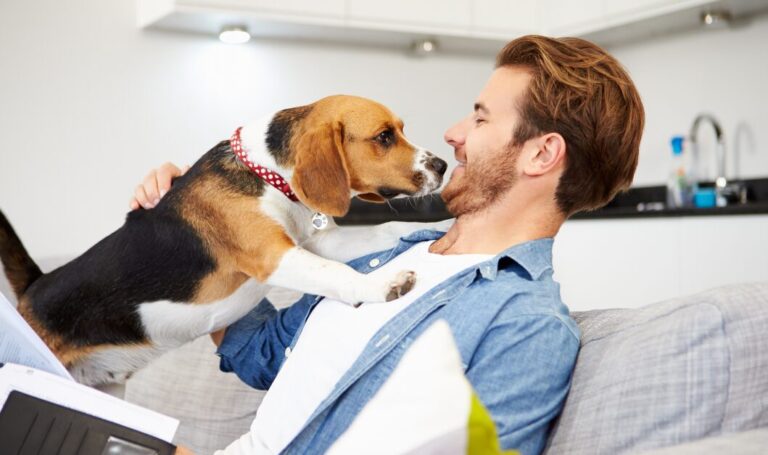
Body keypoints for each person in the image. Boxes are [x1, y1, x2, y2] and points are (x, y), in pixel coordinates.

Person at [132, 35, 644, 454]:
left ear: (541, 154)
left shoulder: (525, 325)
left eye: (481, 118)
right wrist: (200, 227)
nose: (452, 133)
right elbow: (263, 354)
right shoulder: (393, 253)